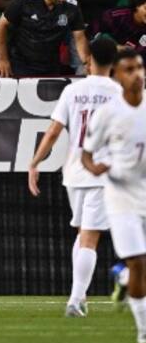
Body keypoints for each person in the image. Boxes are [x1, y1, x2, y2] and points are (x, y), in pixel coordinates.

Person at [28, 36, 121, 317]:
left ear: (89, 58)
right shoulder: (120, 92)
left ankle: (78, 299)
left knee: (82, 234)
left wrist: (34, 163)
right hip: (101, 172)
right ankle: (75, 299)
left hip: (73, 173)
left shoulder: (73, 91)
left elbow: (54, 132)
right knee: (89, 238)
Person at [82, 48, 146, 343]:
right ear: (118, 77)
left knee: (138, 266)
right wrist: (96, 168)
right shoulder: (108, 114)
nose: (137, 74)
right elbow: (87, 154)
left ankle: (122, 278)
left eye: (140, 68)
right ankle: (143, 330)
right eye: (130, 69)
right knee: (139, 262)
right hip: (120, 196)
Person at [0, 0, 89, 77]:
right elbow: (1, 25)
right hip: (21, 64)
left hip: (51, 66)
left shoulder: (72, 7)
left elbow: (80, 38)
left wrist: (86, 63)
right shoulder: (24, 1)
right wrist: (3, 59)